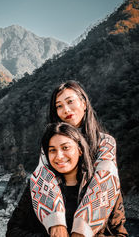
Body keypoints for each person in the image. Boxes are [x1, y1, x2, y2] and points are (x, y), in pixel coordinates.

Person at [30, 80, 128, 236]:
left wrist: (81, 230)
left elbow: (105, 179)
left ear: (84, 103)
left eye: (70, 102)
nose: (66, 109)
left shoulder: (105, 142)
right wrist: (56, 224)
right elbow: (43, 174)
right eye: (59, 106)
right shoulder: (50, 144)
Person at [6, 123, 128, 237]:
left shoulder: (104, 187)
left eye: (65, 148)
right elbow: (12, 230)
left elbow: (120, 233)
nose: (59, 156)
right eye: (52, 150)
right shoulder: (39, 186)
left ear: (80, 150)